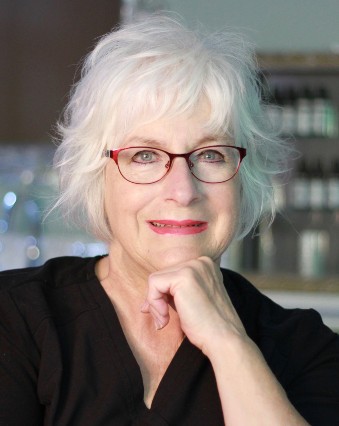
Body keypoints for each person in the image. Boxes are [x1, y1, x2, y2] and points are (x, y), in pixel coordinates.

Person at [0, 14, 338, 426]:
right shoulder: (15, 318)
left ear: (244, 178)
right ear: (96, 174)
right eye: (145, 155)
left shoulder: (305, 348)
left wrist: (229, 343)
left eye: (211, 154)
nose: (183, 190)